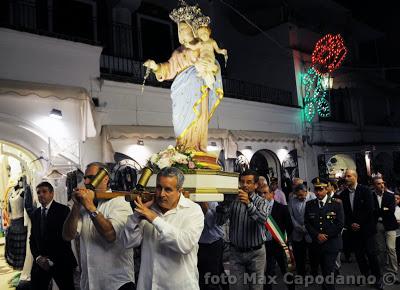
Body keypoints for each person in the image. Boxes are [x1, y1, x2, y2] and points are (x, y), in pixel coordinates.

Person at [144, 2, 224, 153]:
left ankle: (196, 147)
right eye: (179, 30)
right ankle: (183, 148)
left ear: (193, 30)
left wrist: (208, 68)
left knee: (197, 117)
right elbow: (169, 68)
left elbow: (213, 64)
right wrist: (155, 67)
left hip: (198, 91)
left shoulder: (203, 47)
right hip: (181, 92)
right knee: (180, 122)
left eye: (184, 29)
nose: (181, 32)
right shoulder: (178, 53)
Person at [121, 167, 204, 290]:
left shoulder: (193, 210)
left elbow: (185, 245)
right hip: (148, 284)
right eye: (159, 188)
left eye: (168, 190)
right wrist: (136, 217)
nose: (161, 194)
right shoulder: (149, 209)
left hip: (180, 286)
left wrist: (154, 219)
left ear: (179, 191)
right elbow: (128, 242)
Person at [62, 162, 135, 290]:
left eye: (91, 177)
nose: (86, 181)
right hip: (89, 282)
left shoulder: (120, 202)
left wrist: (90, 206)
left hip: (117, 283)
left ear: (105, 178)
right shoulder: (83, 205)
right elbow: (68, 236)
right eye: (85, 178)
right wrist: (76, 206)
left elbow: (111, 235)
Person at [216, 169, 268, 290]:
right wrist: (224, 205)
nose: (244, 185)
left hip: (256, 253)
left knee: (256, 287)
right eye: (242, 182)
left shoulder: (262, 202)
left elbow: (262, 219)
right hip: (236, 253)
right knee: (235, 287)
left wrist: (249, 204)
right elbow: (219, 222)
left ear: (255, 185)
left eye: (249, 182)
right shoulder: (233, 201)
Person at [339, 169, 382, 289]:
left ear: (355, 177)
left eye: (348, 176)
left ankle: (377, 279)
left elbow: (370, 210)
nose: (346, 178)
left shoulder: (366, 190)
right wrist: (350, 224)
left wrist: (358, 223)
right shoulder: (343, 194)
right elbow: (344, 214)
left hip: (367, 230)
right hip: (354, 231)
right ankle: (366, 276)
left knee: (371, 255)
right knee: (359, 256)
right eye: (345, 176)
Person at [30, 181, 76, 290]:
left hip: (61, 261)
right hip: (41, 262)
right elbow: (32, 239)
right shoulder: (35, 214)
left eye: (44, 192)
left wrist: (50, 259)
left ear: (52, 193)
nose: (41, 195)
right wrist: (38, 257)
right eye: (38, 192)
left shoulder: (63, 210)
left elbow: (65, 239)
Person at [305, 178, 344, 290]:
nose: (318, 192)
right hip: (317, 243)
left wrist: (325, 235)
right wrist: (317, 235)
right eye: (316, 189)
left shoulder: (336, 204)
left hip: (331, 243)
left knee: (328, 271)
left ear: (326, 189)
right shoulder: (310, 204)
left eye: (320, 189)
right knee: (322, 270)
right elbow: (307, 223)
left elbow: (340, 224)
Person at [260, 184, 294, 290]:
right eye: (260, 193)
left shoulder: (282, 208)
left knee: (286, 270)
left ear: (272, 194)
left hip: (280, 244)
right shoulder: (258, 209)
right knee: (268, 273)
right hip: (266, 245)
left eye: (265, 193)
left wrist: (286, 241)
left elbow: (289, 226)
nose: (262, 195)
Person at [372, 176, 399, 283]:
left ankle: (393, 272)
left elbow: (391, 210)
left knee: (391, 249)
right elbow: (371, 210)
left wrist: (378, 210)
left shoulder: (390, 195)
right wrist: (382, 210)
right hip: (377, 224)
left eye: (382, 183)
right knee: (380, 250)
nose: (382, 185)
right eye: (379, 183)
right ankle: (382, 272)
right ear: (374, 185)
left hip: (390, 225)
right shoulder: (371, 196)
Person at [288, 184, 317, 277]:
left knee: (313, 255)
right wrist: (297, 227)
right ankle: (301, 274)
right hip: (297, 232)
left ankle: (314, 273)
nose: (300, 197)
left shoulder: (313, 197)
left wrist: (307, 227)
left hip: (310, 231)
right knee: (299, 255)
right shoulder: (292, 200)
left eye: (301, 195)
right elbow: (291, 215)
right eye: (298, 195)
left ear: (306, 192)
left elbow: (316, 214)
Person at [185, 24, 227, 89]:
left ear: (209, 32)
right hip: (202, 59)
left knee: (207, 65)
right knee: (199, 65)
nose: (203, 35)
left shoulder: (212, 42)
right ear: (199, 36)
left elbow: (217, 50)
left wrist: (221, 51)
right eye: (201, 34)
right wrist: (188, 45)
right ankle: (206, 78)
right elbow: (194, 47)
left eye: (205, 33)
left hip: (210, 58)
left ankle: (207, 77)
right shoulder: (200, 43)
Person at [197, 202, 225, 290]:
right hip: (198, 244)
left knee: (213, 278)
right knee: (200, 277)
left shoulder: (212, 202)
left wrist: (204, 207)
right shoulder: (191, 202)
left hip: (213, 243)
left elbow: (212, 223)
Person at [394, 192, 400, 266]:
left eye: (398, 198)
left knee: (398, 248)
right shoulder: (386, 207)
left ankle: (398, 261)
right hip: (388, 232)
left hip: (398, 233)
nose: (395, 199)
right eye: (394, 198)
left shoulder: (399, 209)